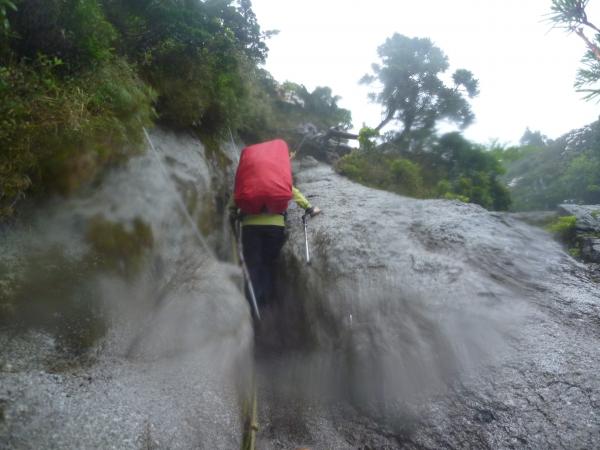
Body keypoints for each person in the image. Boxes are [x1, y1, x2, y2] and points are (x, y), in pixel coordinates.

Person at [230, 180, 320, 313]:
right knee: (269, 263)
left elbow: (236, 195)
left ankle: (253, 307)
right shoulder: (276, 176)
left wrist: (232, 210)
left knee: (253, 265)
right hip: (275, 225)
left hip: (250, 226)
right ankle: (269, 303)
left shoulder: (249, 177)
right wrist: (308, 207)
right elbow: (291, 190)